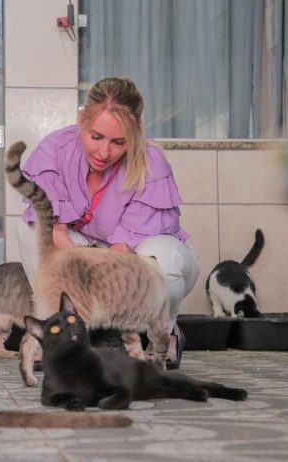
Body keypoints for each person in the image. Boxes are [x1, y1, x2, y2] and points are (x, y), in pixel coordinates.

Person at [17, 76, 199, 369]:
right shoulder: (56, 149)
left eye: (118, 142)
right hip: (87, 253)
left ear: (135, 133)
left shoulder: (151, 161)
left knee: (163, 256)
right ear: (81, 120)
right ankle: (61, 331)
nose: (104, 152)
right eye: (96, 137)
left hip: (131, 260)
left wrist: (92, 273)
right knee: (30, 229)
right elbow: (57, 232)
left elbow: (121, 253)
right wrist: (81, 275)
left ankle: (164, 332)